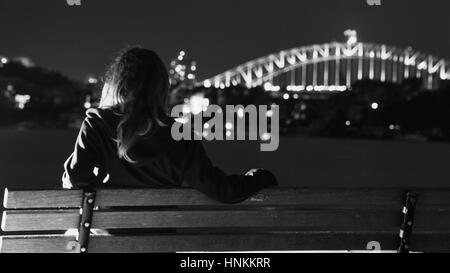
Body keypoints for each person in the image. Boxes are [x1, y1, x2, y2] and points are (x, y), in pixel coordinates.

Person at [62, 46, 277, 204]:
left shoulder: (97, 123)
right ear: (161, 88)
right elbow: (222, 191)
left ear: (117, 84)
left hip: (105, 246)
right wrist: (260, 177)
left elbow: (76, 178)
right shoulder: (180, 133)